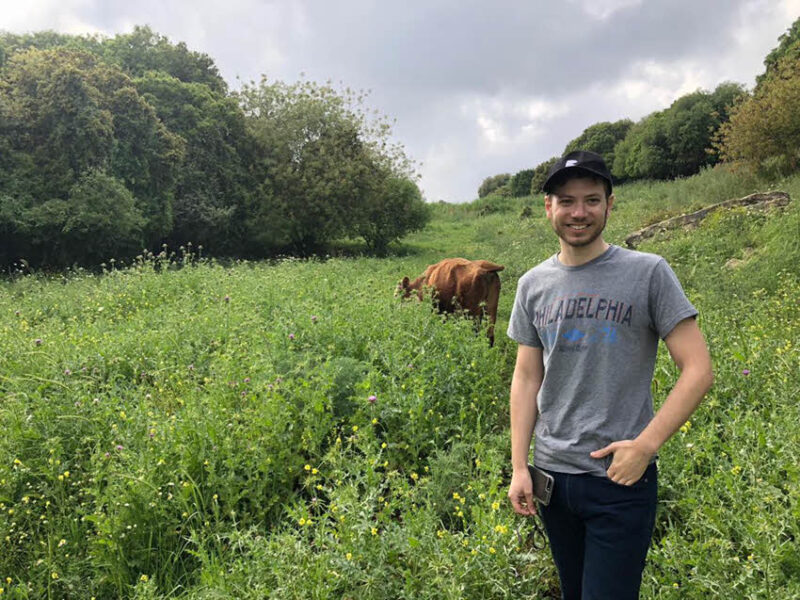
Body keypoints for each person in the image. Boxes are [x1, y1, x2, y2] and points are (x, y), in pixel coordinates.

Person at [506, 150, 713, 599]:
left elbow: (697, 368)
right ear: (549, 208)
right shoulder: (532, 285)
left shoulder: (648, 273)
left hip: (620, 479)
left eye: (591, 200)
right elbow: (526, 378)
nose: (579, 212)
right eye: (566, 201)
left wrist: (645, 446)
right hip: (553, 481)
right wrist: (520, 465)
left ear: (609, 204)